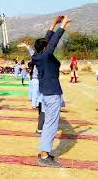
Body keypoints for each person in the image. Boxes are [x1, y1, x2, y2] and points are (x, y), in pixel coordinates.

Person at [33, 15, 71, 167]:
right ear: (45, 47)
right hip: (52, 93)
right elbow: (53, 42)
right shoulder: (46, 56)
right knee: (51, 125)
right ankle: (44, 155)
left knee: (49, 123)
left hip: (47, 93)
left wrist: (53, 24)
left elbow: (47, 40)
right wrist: (63, 25)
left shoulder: (38, 55)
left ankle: (45, 152)